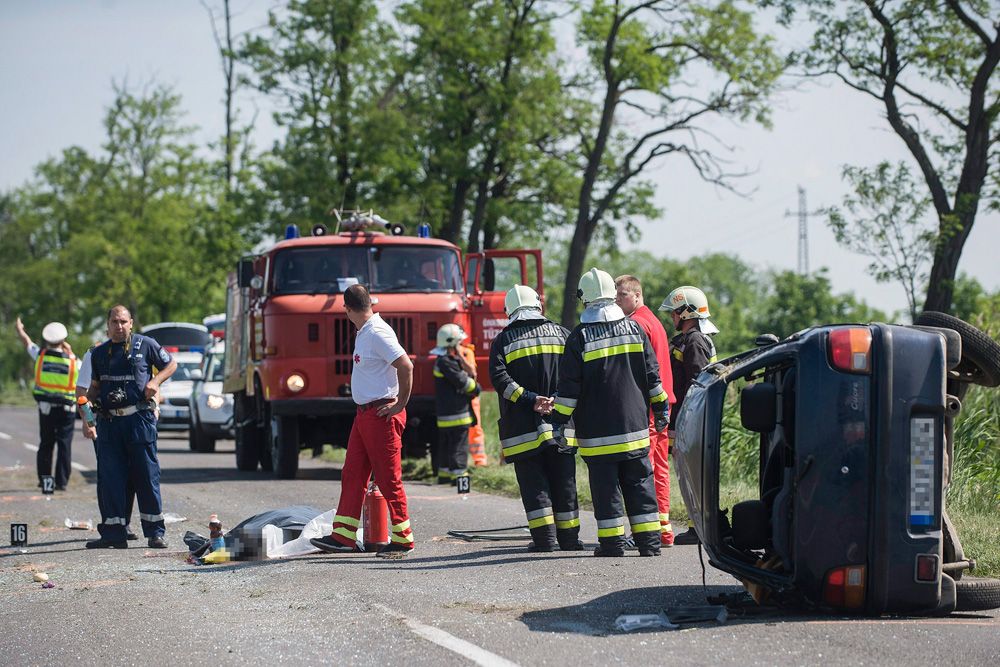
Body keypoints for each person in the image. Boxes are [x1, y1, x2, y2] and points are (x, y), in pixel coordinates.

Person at [549, 268, 670, 557]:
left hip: (598, 435)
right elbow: (653, 378)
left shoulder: (579, 338)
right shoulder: (635, 329)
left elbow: (568, 391)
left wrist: (558, 424)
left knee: (606, 490)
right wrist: (662, 409)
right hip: (636, 429)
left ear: (585, 298)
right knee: (640, 485)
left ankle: (612, 544)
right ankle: (649, 544)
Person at [310, 284, 416, 559]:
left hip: (380, 414)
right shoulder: (365, 331)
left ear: (346, 309)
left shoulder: (377, 332)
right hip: (365, 414)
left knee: (388, 478)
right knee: (353, 473)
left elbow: (406, 365)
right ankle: (343, 536)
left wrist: (401, 403)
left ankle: (403, 539)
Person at [490, 285, 582, 552]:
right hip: (561, 422)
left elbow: (500, 380)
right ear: (538, 306)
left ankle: (544, 540)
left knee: (534, 483)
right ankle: (569, 539)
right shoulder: (564, 334)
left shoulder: (503, 340)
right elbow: (575, 375)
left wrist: (531, 399)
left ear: (510, 311)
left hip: (523, 428)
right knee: (565, 481)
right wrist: (555, 398)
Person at [84, 305, 176, 549]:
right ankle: (114, 533)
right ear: (108, 325)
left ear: (131, 322)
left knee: (146, 476)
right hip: (109, 423)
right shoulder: (99, 353)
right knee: (111, 478)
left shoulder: (146, 344)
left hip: (138, 421)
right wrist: (86, 407)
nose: (119, 326)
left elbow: (171, 365)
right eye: (114, 322)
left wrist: (155, 381)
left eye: (123, 321)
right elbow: (94, 387)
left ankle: (155, 532)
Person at [615, 275, 677, 547]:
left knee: (645, 469)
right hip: (663, 403)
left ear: (637, 295)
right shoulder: (653, 321)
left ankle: (647, 530)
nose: (617, 301)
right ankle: (663, 529)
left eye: (622, 296)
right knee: (660, 467)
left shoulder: (636, 324)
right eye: (616, 296)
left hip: (648, 407)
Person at [660, 285, 719, 546]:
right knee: (688, 472)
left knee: (691, 473)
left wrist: (685, 421)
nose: (671, 317)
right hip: (688, 418)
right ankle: (699, 526)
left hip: (691, 419)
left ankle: (698, 529)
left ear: (686, 312)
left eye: (674, 312)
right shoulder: (689, 339)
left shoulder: (694, 341)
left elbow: (696, 384)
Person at [75, 347, 141, 541]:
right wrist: (88, 422)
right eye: (114, 323)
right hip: (103, 423)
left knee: (130, 474)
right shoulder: (94, 354)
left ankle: (124, 523)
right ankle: (110, 522)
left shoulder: (133, 352)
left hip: (130, 423)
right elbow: (81, 392)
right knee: (108, 475)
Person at [15, 317, 77, 491]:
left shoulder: (40, 356)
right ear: (63, 340)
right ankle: (62, 482)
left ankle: (45, 482)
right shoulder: (73, 361)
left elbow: (28, 343)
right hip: (67, 409)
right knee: (64, 445)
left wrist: (20, 331)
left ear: (47, 340)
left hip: (46, 408)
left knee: (46, 444)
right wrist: (71, 352)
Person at [432, 324, 481, 484]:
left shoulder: (445, 360)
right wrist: (476, 387)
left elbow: (470, 372)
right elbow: (466, 383)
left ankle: (445, 477)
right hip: (457, 415)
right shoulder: (446, 362)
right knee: (459, 450)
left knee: (447, 449)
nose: (461, 345)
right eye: (458, 343)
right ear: (451, 343)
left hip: (447, 415)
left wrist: (460, 356)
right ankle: (461, 482)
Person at [459, 342, 488, 467]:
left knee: (475, 428)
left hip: (470, 396)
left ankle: (479, 460)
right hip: (457, 397)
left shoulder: (466, 352)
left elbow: (472, 373)